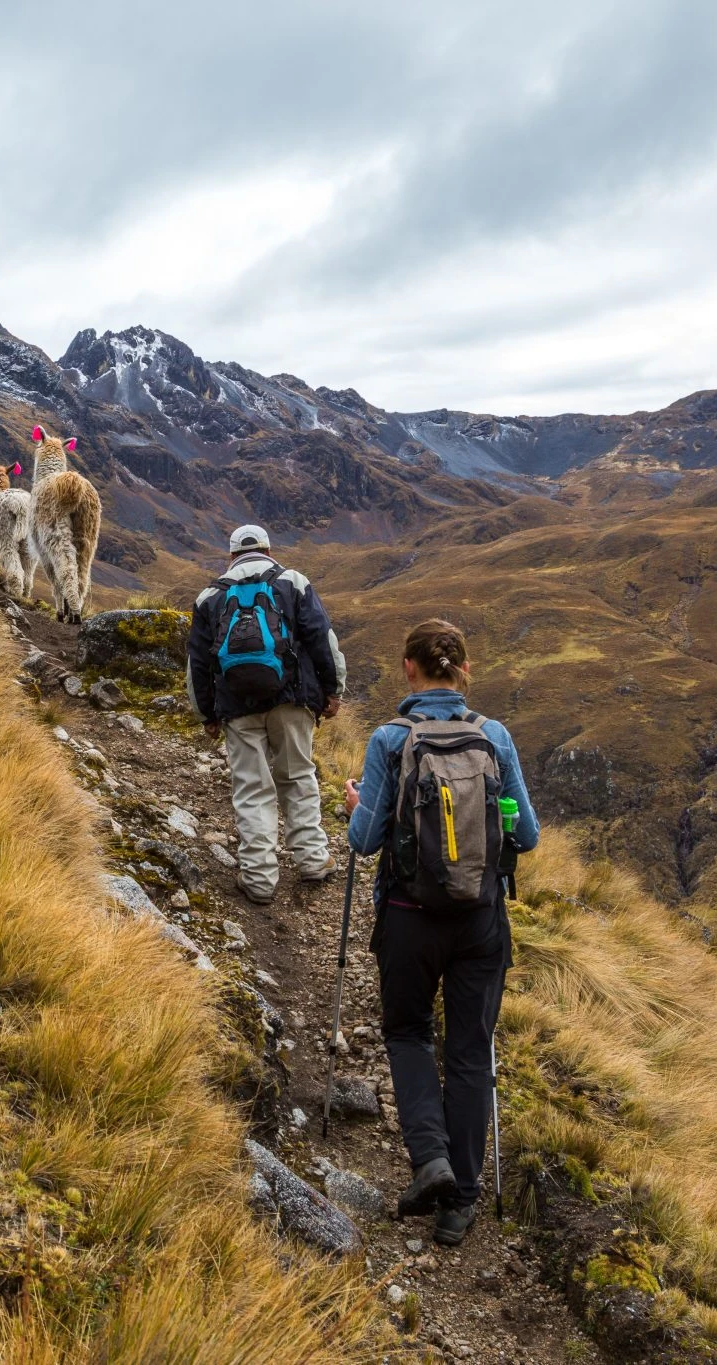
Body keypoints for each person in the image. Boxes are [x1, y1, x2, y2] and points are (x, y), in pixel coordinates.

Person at [343, 618, 538, 1247]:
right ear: (464, 669)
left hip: (407, 919)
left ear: (410, 669)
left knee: (407, 1033)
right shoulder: (494, 736)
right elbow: (527, 837)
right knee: (470, 1052)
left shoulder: (389, 740)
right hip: (480, 922)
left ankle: (430, 1159)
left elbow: (364, 840)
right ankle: (464, 1200)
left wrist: (356, 808)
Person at [186, 524, 346, 905]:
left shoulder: (209, 595)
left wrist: (206, 713)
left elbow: (196, 665)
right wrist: (332, 690)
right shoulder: (293, 581)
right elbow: (322, 638)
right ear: (269, 550)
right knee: (297, 777)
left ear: (231, 556)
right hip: (292, 699)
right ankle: (312, 861)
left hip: (237, 705)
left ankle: (258, 879)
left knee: (252, 788)